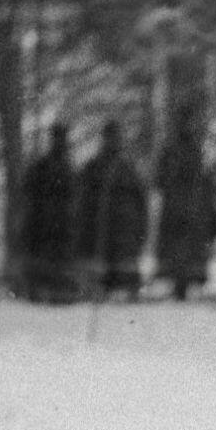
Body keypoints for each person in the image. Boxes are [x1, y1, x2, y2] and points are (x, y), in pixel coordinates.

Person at [78, 120, 151, 300]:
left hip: (124, 234)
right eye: (110, 137)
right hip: (99, 232)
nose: (113, 142)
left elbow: (141, 202)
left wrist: (140, 230)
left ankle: (126, 291)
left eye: (116, 138)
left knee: (124, 272)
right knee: (100, 271)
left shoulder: (128, 169)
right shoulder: (93, 168)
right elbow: (82, 201)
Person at [153, 111, 216, 302]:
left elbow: (202, 182)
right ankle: (179, 283)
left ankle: (184, 283)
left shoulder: (194, 151)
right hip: (180, 210)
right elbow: (161, 180)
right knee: (180, 251)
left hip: (188, 211)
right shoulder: (175, 151)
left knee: (186, 252)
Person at [18, 123, 80, 303]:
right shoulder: (42, 166)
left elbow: (75, 194)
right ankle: (40, 291)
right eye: (57, 138)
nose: (60, 142)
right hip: (44, 220)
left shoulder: (68, 167)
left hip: (62, 221)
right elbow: (29, 192)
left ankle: (59, 293)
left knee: (60, 258)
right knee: (44, 257)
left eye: (62, 138)